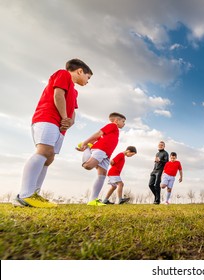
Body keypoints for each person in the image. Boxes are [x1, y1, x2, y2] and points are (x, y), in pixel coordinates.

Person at [13, 59, 93, 208]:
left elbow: (73, 110)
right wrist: (64, 117)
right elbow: (58, 95)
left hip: (61, 126)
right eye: (88, 77)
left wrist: (70, 121)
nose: (88, 81)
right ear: (80, 71)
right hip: (47, 118)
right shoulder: (63, 74)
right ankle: (25, 195)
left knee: (49, 158)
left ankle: (34, 194)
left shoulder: (75, 91)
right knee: (44, 151)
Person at [77, 112, 126, 206]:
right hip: (101, 149)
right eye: (123, 121)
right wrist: (85, 143)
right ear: (116, 120)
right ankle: (87, 149)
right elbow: (99, 133)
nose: (124, 124)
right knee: (88, 166)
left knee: (102, 175)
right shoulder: (112, 125)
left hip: (107, 154)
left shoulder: (115, 130)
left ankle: (92, 200)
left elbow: (98, 138)